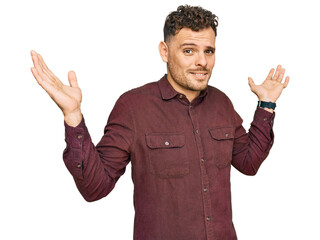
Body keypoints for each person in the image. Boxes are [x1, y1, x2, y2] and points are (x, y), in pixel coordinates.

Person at [30, 5, 289, 240]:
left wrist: (266, 106)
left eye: (208, 51)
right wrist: (73, 114)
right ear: (164, 52)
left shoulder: (222, 103)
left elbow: (249, 163)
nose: (202, 61)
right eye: (189, 50)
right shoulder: (133, 107)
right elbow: (95, 188)